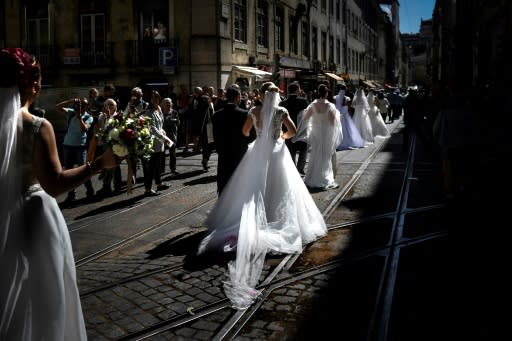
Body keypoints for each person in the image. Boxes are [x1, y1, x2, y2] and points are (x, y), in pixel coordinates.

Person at [0, 47, 120, 340]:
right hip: (33, 219)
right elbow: (54, 183)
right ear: (34, 83)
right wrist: (98, 164)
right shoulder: (37, 127)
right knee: (42, 299)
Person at [197, 82, 327, 310]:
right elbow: (294, 132)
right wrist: (281, 137)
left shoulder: (254, 111)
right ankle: (275, 217)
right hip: (277, 152)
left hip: (259, 151)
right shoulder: (281, 111)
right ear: (277, 95)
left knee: (253, 188)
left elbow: (245, 132)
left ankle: (257, 217)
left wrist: (258, 135)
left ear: (263, 95)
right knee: (282, 188)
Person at [210, 84, 255, 195]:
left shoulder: (217, 115)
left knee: (224, 181)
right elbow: (252, 135)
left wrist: (219, 148)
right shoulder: (244, 114)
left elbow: (214, 135)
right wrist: (244, 143)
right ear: (238, 97)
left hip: (223, 154)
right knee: (239, 182)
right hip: (240, 152)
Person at [302, 84, 343, 190]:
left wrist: (314, 121)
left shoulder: (313, 105)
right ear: (326, 93)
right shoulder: (330, 106)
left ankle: (312, 176)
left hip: (316, 132)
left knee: (315, 153)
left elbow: (305, 118)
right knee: (325, 154)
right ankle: (324, 176)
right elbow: (333, 122)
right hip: (326, 132)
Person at [56, 96, 96, 201]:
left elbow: (84, 130)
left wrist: (79, 117)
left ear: (87, 106)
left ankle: (90, 190)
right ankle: (71, 194)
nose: (81, 106)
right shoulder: (71, 112)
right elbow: (57, 107)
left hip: (80, 147)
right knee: (69, 171)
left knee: (83, 170)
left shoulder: (89, 117)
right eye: (80, 104)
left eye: (84, 105)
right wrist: (70, 100)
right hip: (67, 145)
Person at [142, 90, 173, 196]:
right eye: (154, 97)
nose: (156, 99)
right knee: (151, 166)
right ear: (150, 99)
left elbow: (160, 125)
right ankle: (147, 189)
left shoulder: (157, 110)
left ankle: (159, 183)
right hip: (153, 142)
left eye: (157, 97)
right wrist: (164, 138)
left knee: (156, 165)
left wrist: (163, 132)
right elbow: (153, 129)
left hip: (160, 141)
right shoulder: (148, 112)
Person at [279, 82, 309, 175]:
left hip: (287, 131)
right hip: (301, 130)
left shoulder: (282, 103)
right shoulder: (303, 101)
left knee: (291, 150)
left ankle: (293, 169)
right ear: (297, 90)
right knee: (303, 149)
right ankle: (300, 168)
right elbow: (307, 115)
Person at [161, 97, 180, 174]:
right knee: (162, 153)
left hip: (172, 135)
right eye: (166, 103)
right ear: (163, 105)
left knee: (172, 152)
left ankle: (173, 168)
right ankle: (161, 169)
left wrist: (176, 121)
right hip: (163, 135)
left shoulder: (174, 112)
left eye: (169, 103)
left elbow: (179, 123)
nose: (168, 104)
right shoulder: (160, 112)